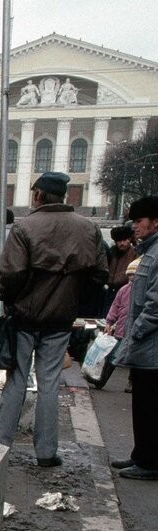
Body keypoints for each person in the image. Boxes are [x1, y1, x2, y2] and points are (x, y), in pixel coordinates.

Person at [0, 172, 107, 468]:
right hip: (61, 319)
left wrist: (12, 301)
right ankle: (45, 452)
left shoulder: (25, 227)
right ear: (64, 196)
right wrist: (72, 298)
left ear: (38, 195)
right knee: (50, 383)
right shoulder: (88, 228)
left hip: (25, 317)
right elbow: (99, 275)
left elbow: (11, 274)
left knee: (16, 380)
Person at [111, 197, 158, 480]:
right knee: (142, 403)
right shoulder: (149, 251)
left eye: (139, 221)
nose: (134, 227)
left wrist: (136, 332)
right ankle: (141, 454)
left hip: (151, 345)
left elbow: (155, 305)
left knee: (149, 405)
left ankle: (150, 462)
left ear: (156, 222)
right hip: (146, 345)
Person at [89, 258, 140, 391]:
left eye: (134, 275)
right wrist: (109, 322)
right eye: (130, 275)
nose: (131, 278)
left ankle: (131, 381)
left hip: (135, 330)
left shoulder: (142, 292)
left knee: (134, 358)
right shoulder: (124, 290)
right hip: (121, 329)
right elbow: (115, 306)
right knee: (113, 356)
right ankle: (101, 379)